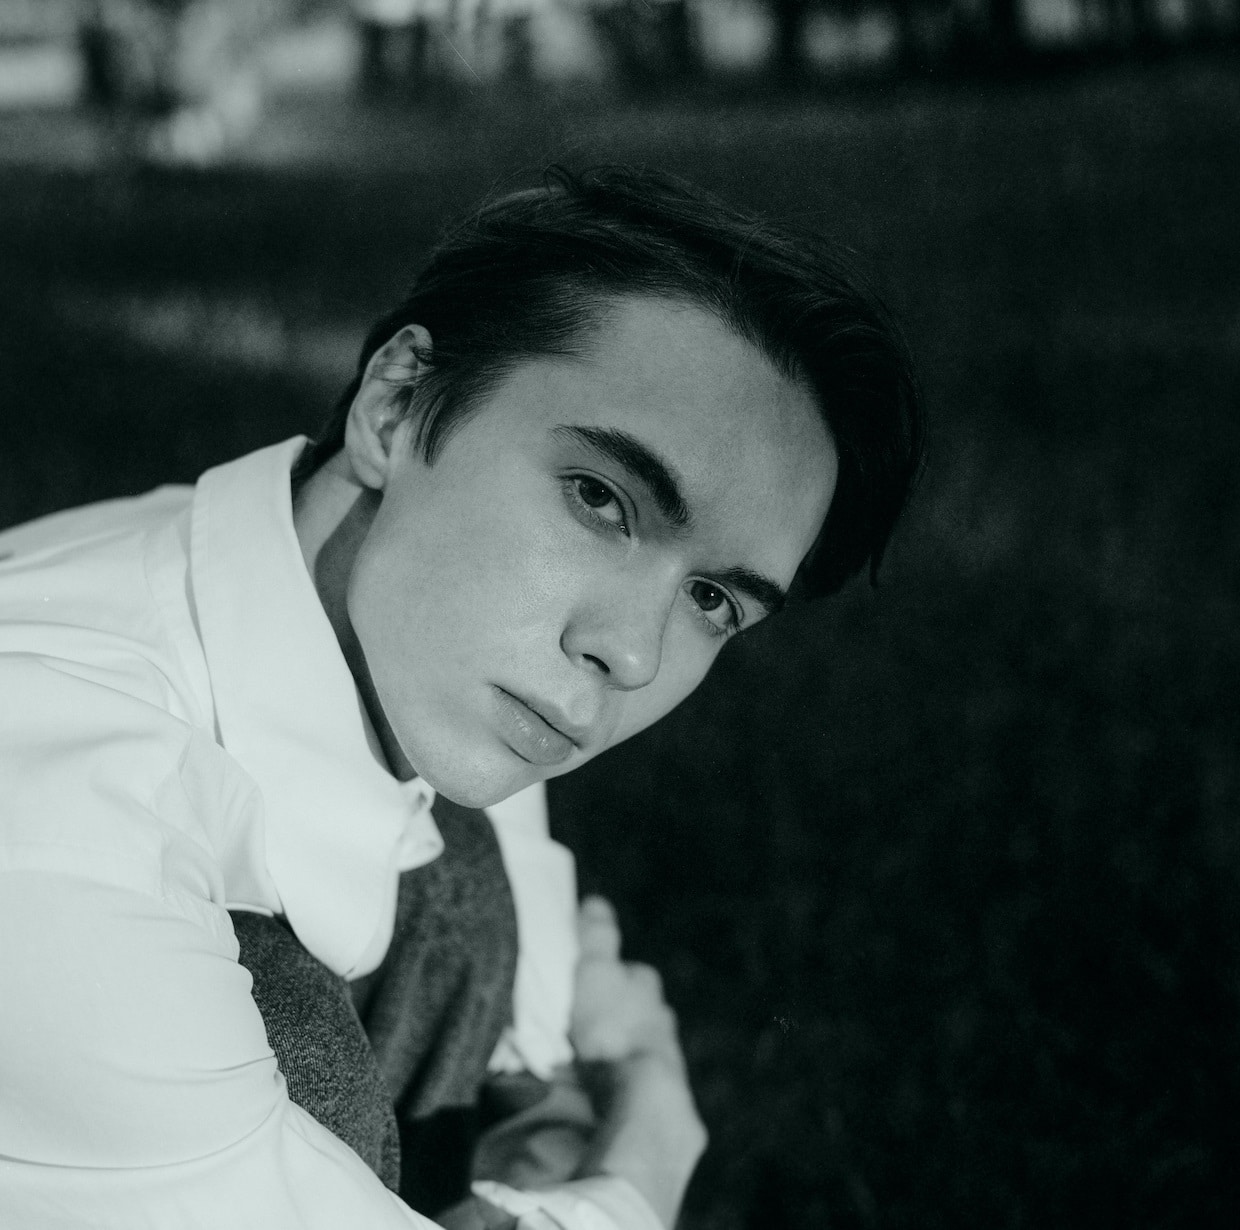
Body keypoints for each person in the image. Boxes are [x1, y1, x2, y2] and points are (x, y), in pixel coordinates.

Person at [0, 167, 923, 1229]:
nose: (631, 652)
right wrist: (646, 1155)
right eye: (600, 500)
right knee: (300, 1027)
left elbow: (526, 964)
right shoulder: (68, 815)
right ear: (395, 406)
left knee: (458, 886)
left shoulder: (401, 624)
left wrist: (543, 1106)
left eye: (712, 599)